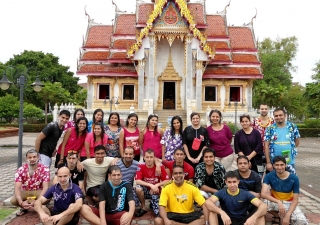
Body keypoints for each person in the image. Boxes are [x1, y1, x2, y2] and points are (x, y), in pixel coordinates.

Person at [261, 156, 308, 225]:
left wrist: (288, 215)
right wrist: (278, 202)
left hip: (289, 203)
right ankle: (277, 215)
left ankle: (284, 215)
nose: (279, 167)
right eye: (277, 165)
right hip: (274, 201)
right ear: (273, 165)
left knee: (302, 222)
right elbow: (263, 194)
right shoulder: (269, 176)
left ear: (286, 165)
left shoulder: (294, 178)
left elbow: (295, 200)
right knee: (259, 207)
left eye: (282, 165)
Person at [11, 149, 50, 216]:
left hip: (38, 191)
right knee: (13, 200)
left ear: (38, 157)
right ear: (26, 159)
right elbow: (17, 188)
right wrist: (21, 203)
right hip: (25, 191)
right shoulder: (20, 170)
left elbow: (46, 187)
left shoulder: (45, 169)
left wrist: (38, 201)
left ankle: (39, 206)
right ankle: (24, 207)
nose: (32, 159)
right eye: (30, 157)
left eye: (34, 157)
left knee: (48, 197)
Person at [134, 149, 169, 217]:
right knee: (138, 188)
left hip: (155, 191)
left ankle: (152, 204)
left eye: (151, 157)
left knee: (158, 214)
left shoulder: (160, 167)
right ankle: (143, 207)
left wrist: (156, 185)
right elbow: (137, 181)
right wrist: (150, 185)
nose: (149, 159)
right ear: (144, 157)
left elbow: (167, 180)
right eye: (147, 157)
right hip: (145, 190)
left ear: (154, 158)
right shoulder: (140, 166)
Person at [264, 108, 300, 172]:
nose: (278, 117)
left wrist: (289, 147)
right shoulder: (270, 128)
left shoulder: (292, 126)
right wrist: (268, 162)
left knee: (290, 179)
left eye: (280, 115)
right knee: (276, 180)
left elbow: (297, 140)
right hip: (275, 160)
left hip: (288, 159)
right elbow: (266, 146)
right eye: (276, 116)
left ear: (285, 116)